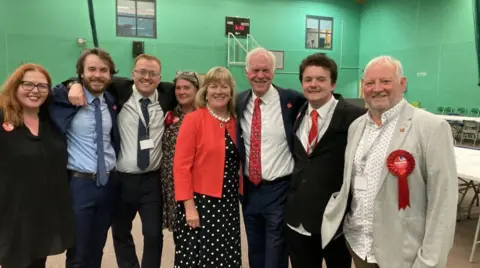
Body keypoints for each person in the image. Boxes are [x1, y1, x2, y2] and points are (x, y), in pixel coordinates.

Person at [321, 56, 458, 268]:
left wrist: (429, 261)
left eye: (385, 81)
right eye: (369, 83)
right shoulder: (356, 126)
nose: (377, 89)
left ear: (402, 84)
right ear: (362, 87)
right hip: (359, 246)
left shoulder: (431, 128)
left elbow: (443, 203)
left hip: (403, 254)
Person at [66, 54, 177, 268]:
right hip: (121, 179)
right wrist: (73, 84)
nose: (147, 77)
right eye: (141, 72)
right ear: (132, 74)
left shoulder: (167, 94)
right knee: (121, 232)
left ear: (160, 77)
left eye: (152, 73)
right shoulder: (118, 90)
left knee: (153, 234)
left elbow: (190, 91)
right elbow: (88, 78)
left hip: (151, 180)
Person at [284, 53, 365, 268]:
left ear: (333, 83)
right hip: (298, 219)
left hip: (335, 221)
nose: (314, 84)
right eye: (308, 79)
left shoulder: (356, 117)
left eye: (321, 79)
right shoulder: (297, 113)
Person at [49, 48, 120, 268]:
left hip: (109, 183)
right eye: (91, 69)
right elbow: (51, 90)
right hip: (80, 184)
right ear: (81, 73)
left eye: (103, 70)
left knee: (97, 248)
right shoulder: (64, 98)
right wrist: (72, 85)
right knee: (78, 251)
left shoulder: (110, 99)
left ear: (110, 75)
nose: (97, 75)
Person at [236, 47, 306, 268]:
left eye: (266, 70)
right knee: (255, 250)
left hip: (279, 190)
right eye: (255, 70)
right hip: (249, 190)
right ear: (247, 73)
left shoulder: (292, 99)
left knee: (276, 252)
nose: (260, 75)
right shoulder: (239, 101)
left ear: (273, 72)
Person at [0, 64, 74, 268]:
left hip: (44, 210)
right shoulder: (3, 115)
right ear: (15, 86)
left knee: (38, 262)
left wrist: (73, 82)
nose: (35, 90)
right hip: (12, 212)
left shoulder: (49, 118)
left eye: (42, 86)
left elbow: (64, 90)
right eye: (28, 84)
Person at [173, 67, 242, 268]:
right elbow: (181, 166)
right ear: (205, 91)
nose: (219, 91)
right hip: (201, 204)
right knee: (199, 258)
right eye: (213, 86)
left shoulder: (235, 121)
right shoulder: (194, 119)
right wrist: (189, 206)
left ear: (231, 92)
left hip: (228, 203)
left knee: (225, 256)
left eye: (224, 86)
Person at [160, 70, 201, 232]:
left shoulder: (204, 115)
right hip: (171, 183)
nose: (182, 92)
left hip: (195, 183)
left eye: (187, 87)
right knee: (180, 234)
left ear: (197, 89)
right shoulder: (170, 112)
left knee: (197, 231)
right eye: (178, 88)